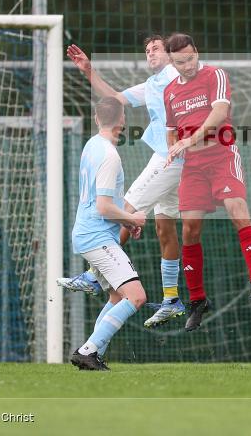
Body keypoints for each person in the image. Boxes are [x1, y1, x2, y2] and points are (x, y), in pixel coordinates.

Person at [58, 36, 187, 328]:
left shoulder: (178, 76)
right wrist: (89, 71)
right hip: (170, 158)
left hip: (172, 157)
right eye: (146, 50)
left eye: (156, 48)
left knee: (126, 208)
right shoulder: (153, 84)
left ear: (170, 54)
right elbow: (115, 98)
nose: (150, 53)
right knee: (164, 227)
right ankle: (171, 299)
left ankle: (93, 275)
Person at [163, 32, 251, 331]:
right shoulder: (169, 91)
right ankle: (198, 300)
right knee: (189, 229)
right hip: (192, 166)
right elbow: (172, 129)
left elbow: (220, 113)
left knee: (238, 210)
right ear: (172, 61)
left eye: (191, 57)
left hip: (221, 156)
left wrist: (192, 138)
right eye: (180, 61)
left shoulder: (214, 74)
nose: (188, 65)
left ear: (197, 52)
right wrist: (173, 147)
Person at [69, 97, 147, 370]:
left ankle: (94, 353)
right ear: (122, 120)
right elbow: (103, 207)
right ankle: (87, 350)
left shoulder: (92, 145)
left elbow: (100, 201)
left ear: (96, 118)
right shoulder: (109, 156)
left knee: (116, 297)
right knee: (136, 296)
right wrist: (133, 217)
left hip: (91, 233)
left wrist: (125, 223)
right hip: (97, 237)